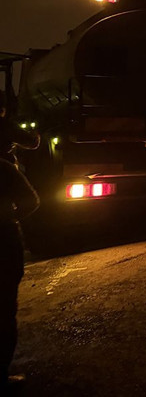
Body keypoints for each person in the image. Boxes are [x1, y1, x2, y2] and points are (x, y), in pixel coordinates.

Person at [1, 159, 39, 391]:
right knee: (4, 311)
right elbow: (30, 201)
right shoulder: (4, 168)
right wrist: (10, 218)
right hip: (3, 243)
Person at [0, 91, 40, 166]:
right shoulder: (7, 126)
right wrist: (35, 134)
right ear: (2, 110)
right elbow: (32, 142)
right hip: (4, 169)